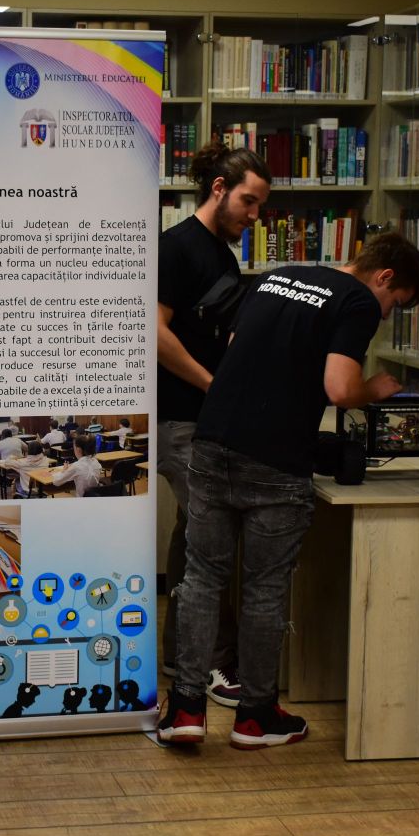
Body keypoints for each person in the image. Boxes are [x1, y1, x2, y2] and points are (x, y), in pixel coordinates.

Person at [158, 233, 419, 749]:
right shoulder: (357, 301)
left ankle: (186, 709)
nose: (387, 312)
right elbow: (340, 388)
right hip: (276, 458)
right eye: (396, 302)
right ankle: (255, 717)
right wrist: (376, 389)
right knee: (263, 588)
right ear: (385, 276)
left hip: (212, 441)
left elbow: (236, 352)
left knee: (203, 577)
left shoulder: (276, 277)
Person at [157, 141, 271, 706]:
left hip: (204, 418)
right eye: (249, 202)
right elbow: (154, 333)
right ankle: (213, 664)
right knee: (211, 541)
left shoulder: (223, 256)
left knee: (192, 535)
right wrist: (212, 384)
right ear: (219, 189)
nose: (255, 216)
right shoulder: (176, 248)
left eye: (260, 206)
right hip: (177, 420)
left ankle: (182, 655)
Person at [51, 432, 106, 497]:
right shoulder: (96, 462)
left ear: (78, 450)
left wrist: (64, 470)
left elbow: (56, 482)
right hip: (94, 497)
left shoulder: (76, 466)